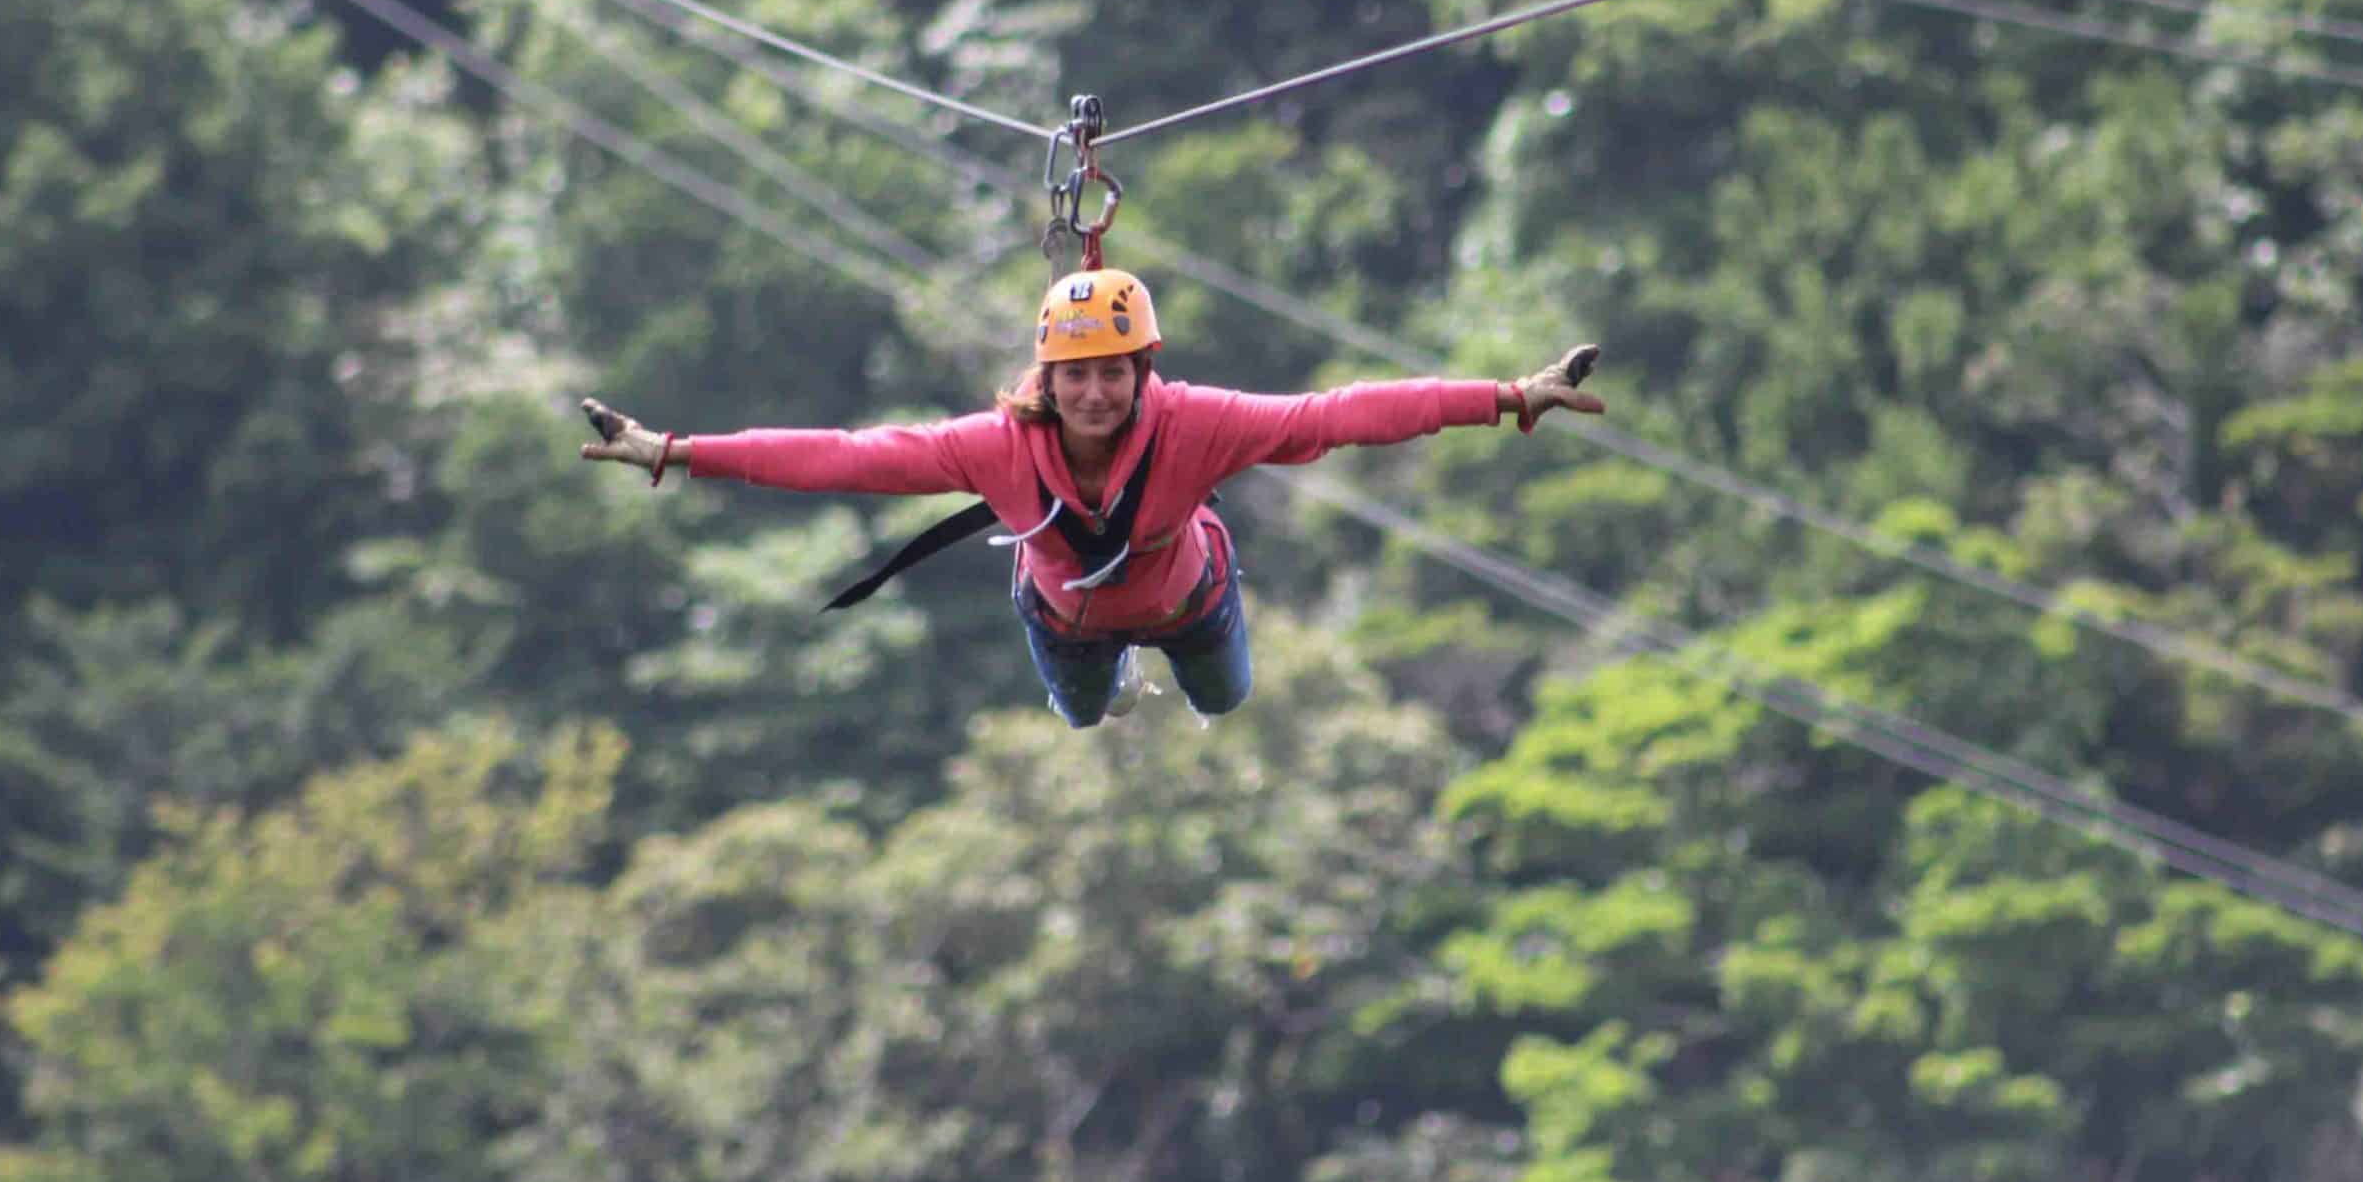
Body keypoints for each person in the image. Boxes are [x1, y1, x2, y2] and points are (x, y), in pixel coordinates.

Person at [578, 268, 1604, 727]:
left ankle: (1159, 676)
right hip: (1066, 622)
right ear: (1046, 377)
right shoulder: (993, 447)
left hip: (1191, 597)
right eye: (1077, 373)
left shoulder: (1200, 422)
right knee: (1083, 714)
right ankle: (1114, 688)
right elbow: (842, 457)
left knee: (1224, 697)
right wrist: (674, 451)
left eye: (1115, 370)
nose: (1096, 390)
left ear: (1145, 368)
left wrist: (1507, 397)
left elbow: (1343, 413)